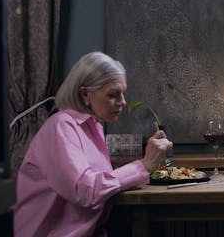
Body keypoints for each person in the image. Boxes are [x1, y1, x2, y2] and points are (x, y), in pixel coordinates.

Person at [13, 51, 172, 236]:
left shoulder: (90, 127)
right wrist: (143, 166)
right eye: (113, 94)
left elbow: (101, 182)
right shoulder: (61, 126)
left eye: (123, 93)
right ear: (86, 94)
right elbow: (85, 190)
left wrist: (146, 166)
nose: (122, 102)